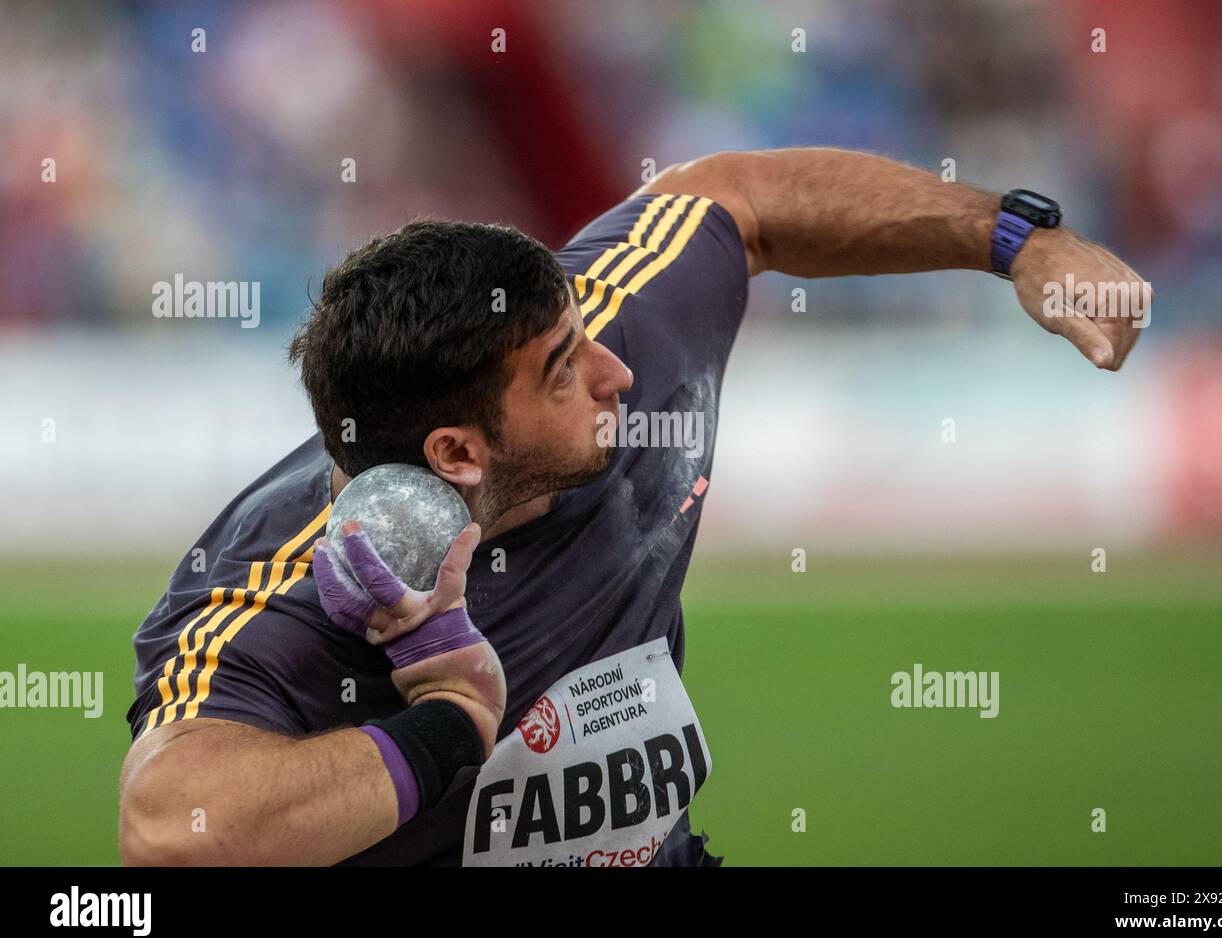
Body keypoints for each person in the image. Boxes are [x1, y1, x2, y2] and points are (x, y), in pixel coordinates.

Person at [119, 147, 1146, 866]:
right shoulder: (275, 598)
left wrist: (1017, 241)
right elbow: (173, 825)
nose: (620, 371)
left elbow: (739, 197)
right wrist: (449, 727)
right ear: (458, 451)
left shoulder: (618, 336)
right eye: (565, 368)